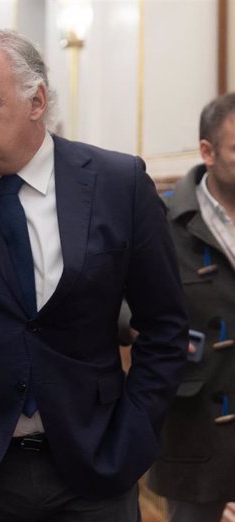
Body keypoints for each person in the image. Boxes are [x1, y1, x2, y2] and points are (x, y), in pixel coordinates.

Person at [0, 28, 188, 522]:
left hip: (97, 467)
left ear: (37, 100)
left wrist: (136, 429)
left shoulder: (117, 184)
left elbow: (166, 326)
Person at [146, 92, 235, 521]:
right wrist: (160, 333)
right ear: (208, 151)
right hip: (195, 432)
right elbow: (121, 304)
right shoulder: (162, 221)